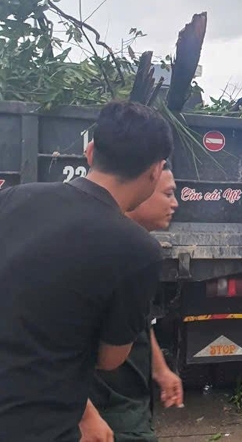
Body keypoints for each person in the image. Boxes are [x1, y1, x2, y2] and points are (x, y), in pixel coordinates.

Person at [0, 100, 173, 442]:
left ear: (91, 152)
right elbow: (110, 359)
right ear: (155, 171)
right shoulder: (138, 250)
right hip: (43, 425)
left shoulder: (14, 199)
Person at [91, 162, 183, 442]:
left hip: (130, 403)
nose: (175, 203)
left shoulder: (139, 251)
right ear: (143, 187)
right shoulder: (106, 251)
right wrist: (85, 415)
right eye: (168, 194)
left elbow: (140, 319)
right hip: (108, 411)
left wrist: (160, 370)